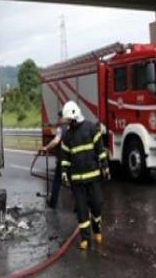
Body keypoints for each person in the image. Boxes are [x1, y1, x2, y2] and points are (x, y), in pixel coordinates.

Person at [59, 101, 110, 250]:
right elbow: (65, 158)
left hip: (93, 178)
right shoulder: (67, 137)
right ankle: (85, 238)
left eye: (68, 120)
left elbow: (100, 149)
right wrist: (63, 173)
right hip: (77, 182)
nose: (67, 122)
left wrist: (105, 166)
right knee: (81, 210)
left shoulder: (91, 129)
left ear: (75, 116)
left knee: (97, 204)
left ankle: (97, 227)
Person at [39, 111, 69, 209]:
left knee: (57, 182)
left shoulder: (61, 128)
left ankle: (53, 203)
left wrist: (46, 147)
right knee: (75, 183)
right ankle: (79, 206)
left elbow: (56, 141)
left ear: (63, 117)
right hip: (74, 159)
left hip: (63, 159)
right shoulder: (72, 127)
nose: (59, 120)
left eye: (60, 117)